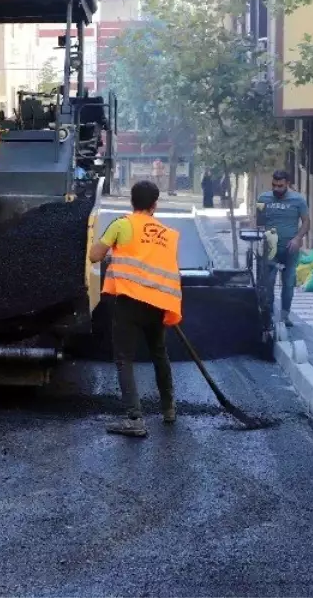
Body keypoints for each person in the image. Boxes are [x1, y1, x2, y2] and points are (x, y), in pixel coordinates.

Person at [89, 180, 182, 438]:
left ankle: (134, 418)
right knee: (159, 355)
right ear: (154, 205)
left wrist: (111, 252)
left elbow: (94, 256)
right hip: (157, 304)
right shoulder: (168, 234)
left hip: (129, 303)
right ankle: (169, 409)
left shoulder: (122, 224)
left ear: (132, 201)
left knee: (124, 359)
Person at [256, 169, 311, 327]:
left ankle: (285, 316)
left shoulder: (298, 200)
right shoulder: (263, 198)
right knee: (268, 282)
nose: (277, 189)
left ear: (287, 183)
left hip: (290, 249)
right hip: (269, 248)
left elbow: (306, 222)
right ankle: (269, 315)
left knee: (288, 283)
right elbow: (258, 221)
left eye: (280, 186)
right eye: (274, 185)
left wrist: (298, 238)